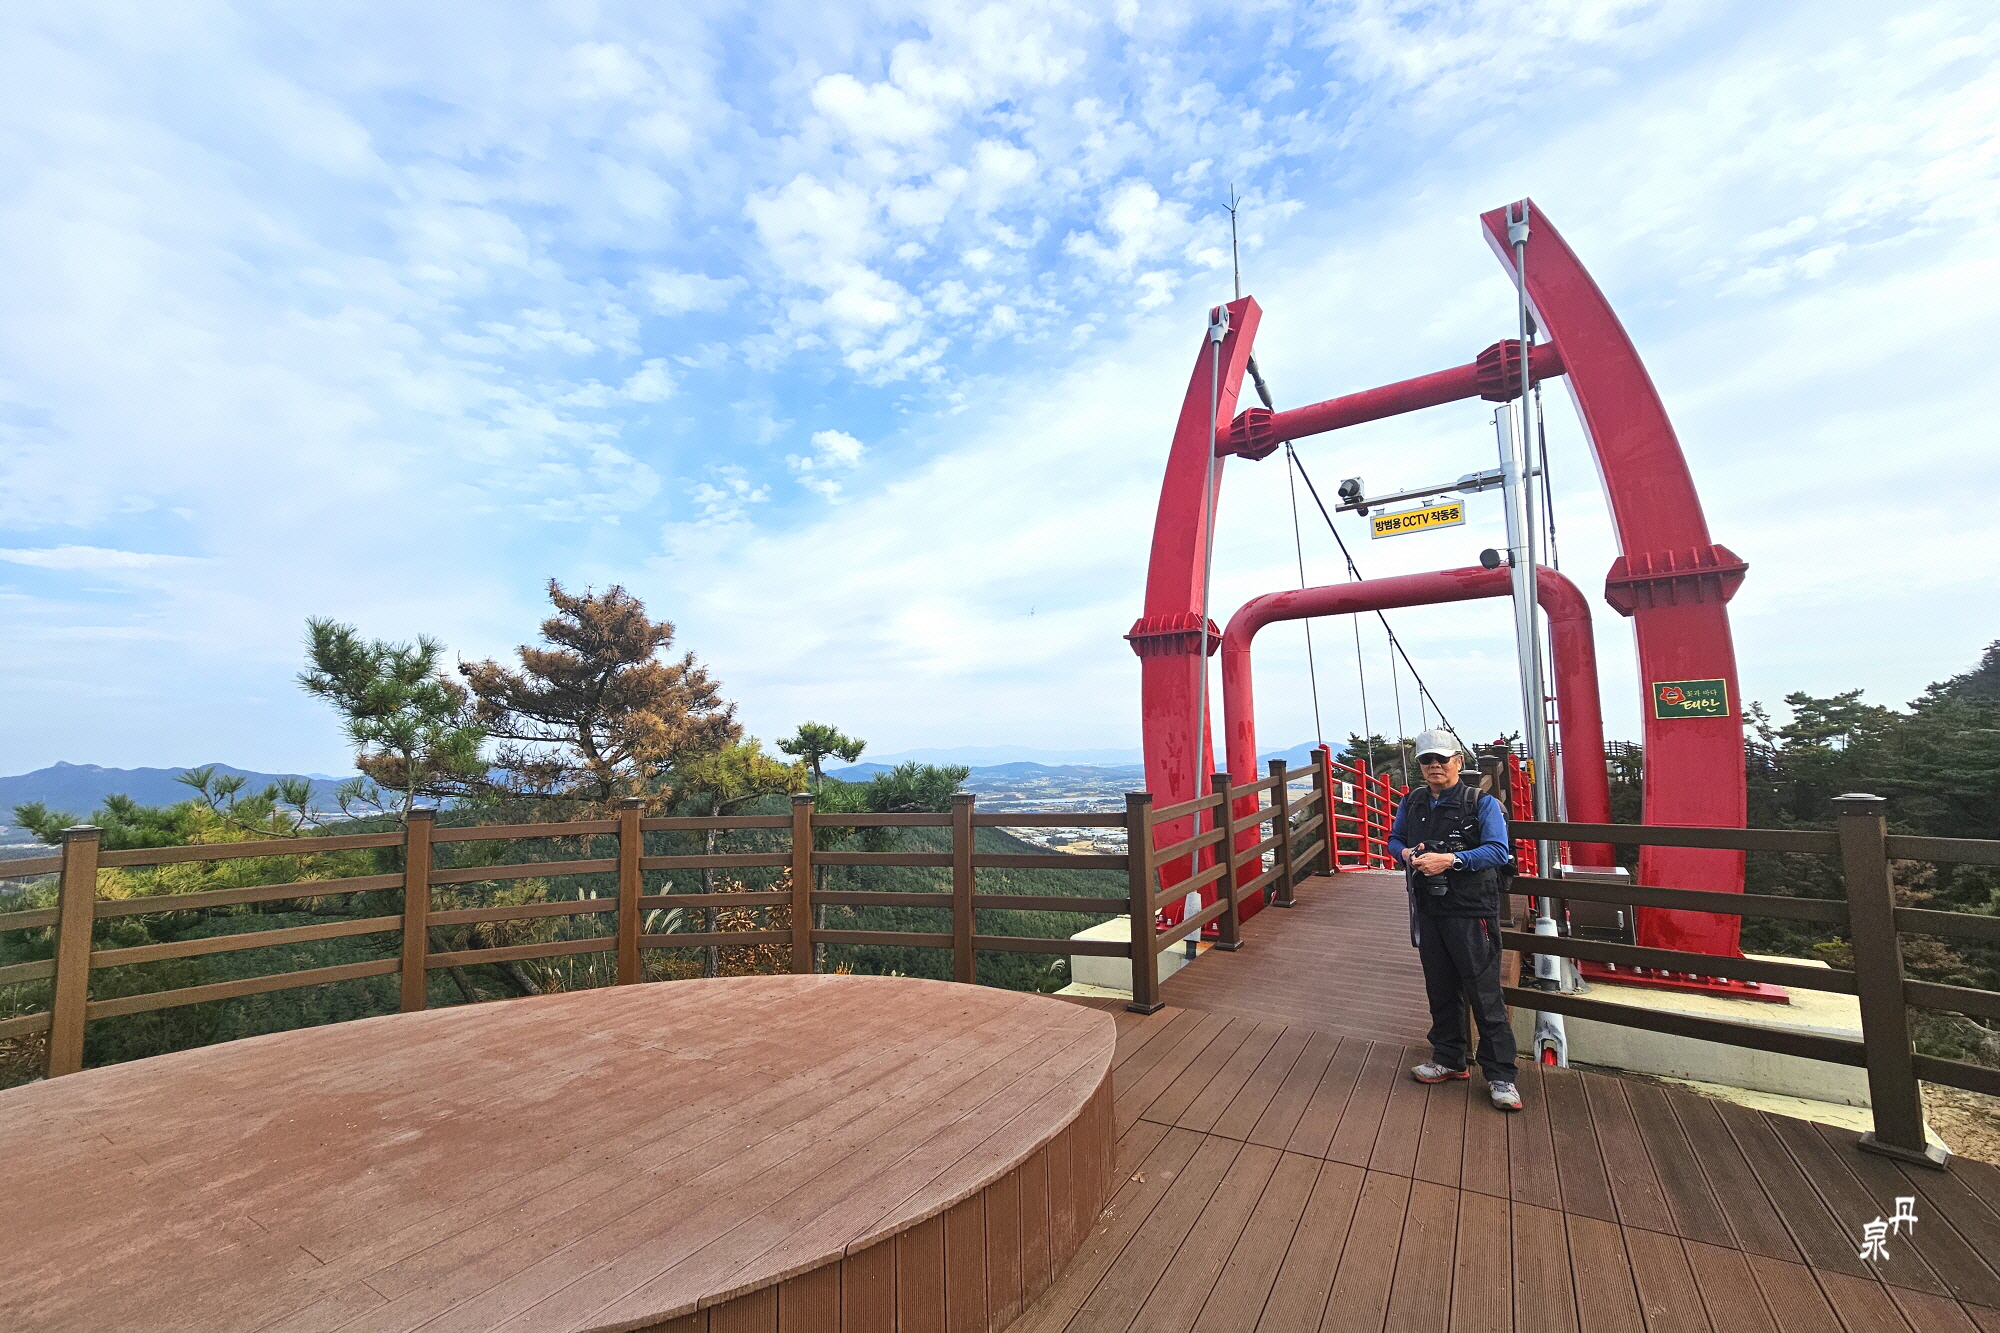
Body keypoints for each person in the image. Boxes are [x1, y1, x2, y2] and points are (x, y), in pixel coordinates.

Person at [1386, 728, 1522, 1111]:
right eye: (1426, 760)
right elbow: (1394, 840)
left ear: (1458, 762)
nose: (1434, 766)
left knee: (1484, 991)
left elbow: (1497, 851)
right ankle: (1448, 1058)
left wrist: (1450, 860)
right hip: (1429, 905)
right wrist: (1407, 855)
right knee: (1440, 986)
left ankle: (1501, 1076)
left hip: (1471, 909)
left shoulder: (1481, 803)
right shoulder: (1412, 801)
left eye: (1441, 759)